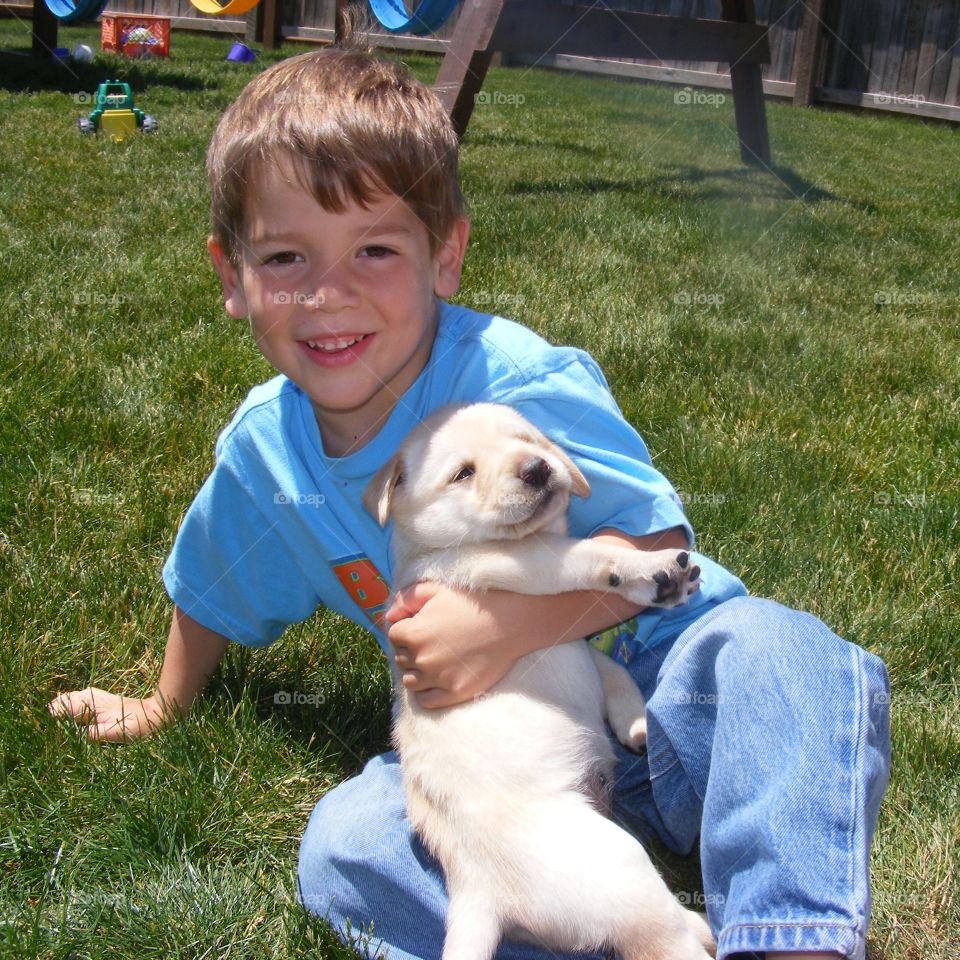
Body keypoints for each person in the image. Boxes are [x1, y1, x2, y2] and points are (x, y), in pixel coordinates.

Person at [48, 47, 890, 960]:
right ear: (229, 274)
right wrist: (165, 705)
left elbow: (655, 545)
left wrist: (509, 628)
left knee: (784, 655)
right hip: (506, 775)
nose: (330, 293)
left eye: (375, 248)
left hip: (673, 692)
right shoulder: (267, 452)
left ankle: (790, 933)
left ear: (444, 253)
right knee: (344, 845)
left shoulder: (513, 382)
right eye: (288, 256)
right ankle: (615, 923)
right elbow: (212, 583)